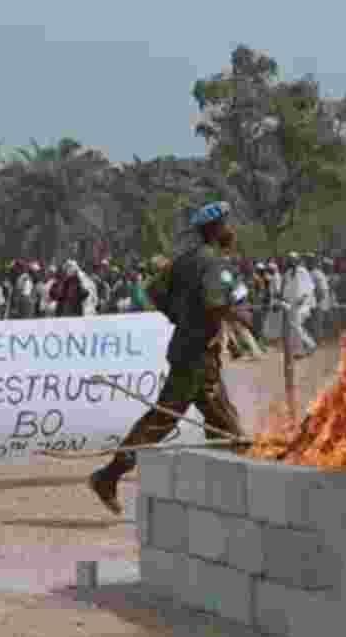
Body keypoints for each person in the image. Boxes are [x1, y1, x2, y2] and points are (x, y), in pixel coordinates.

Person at [88, 195, 245, 515]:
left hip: (191, 349)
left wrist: (180, 317)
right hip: (198, 354)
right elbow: (216, 304)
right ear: (215, 229)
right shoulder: (214, 262)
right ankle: (108, 475)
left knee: (220, 422)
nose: (231, 230)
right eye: (226, 224)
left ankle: (225, 492)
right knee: (173, 420)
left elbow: (154, 291)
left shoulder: (184, 261)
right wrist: (237, 322)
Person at [280, 251, 318, 358]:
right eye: (289, 260)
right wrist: (285, 299)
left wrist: (303, 298)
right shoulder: (288, 273)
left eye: (293, 260)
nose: (291, 261)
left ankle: (309, 346)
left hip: (303, 303)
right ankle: (304, 348)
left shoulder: (302, 271)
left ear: (297, 260)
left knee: (296, 325)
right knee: (295, 326)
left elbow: (310, 287)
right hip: (292, 304)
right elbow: (287, 289)